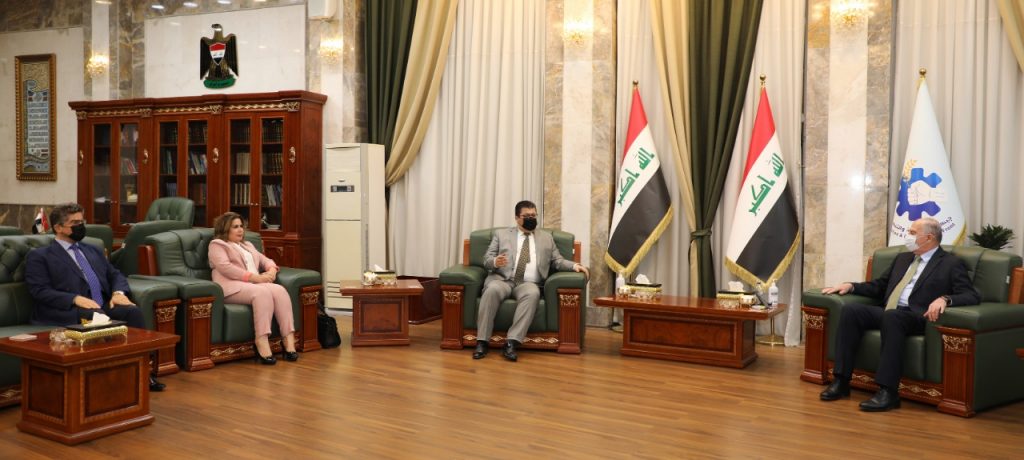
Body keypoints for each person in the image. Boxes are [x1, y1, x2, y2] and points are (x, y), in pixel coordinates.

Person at [819, 217, 980, 411]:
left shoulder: (950, 263)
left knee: (892, 316)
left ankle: (888, 392)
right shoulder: (903, 258)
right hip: (890, 312)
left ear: (929, 238)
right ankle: (841, 381)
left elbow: (971, 295)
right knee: (851, 310)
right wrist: (851, 286)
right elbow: (880, 286)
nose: (907, 236)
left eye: (912, 233)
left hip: (918, 316)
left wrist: (945, 299)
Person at [24, 202, 166, 391]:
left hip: (102, 305)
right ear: (58, 228)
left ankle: (143, 372)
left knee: (132, 312)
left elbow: (115, 274)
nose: (80, 226)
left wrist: (118, 293)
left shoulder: (92, 250)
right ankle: (108, 380)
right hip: (69, 310)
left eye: (82, 222)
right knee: (97, 317)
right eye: (75, 223)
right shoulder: (41, 256)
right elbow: (39, 291)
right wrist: (74, 299)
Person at [474, 200, 590, 362]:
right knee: (492, 290)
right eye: (526, 216)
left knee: (533, 293)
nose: (531, 218)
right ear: (517, 218)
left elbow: (557, 261)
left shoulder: (546, 238)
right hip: (503, 279)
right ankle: (482, 341)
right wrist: (494, 262)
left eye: (533, 215)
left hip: (528, 283)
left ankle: (511, 342)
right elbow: (486, 259)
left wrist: (574, 265)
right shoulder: (501, 235)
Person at [208, 212, 297, 365]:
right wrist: (256, 278)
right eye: (235, 227)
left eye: (241, 226)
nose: (240, 230)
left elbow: (265, 260)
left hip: (253, 285)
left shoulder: (247, 245)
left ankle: (288, 340)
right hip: (230, 287)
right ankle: (261, 340)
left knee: (280, 290)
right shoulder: (217, 245)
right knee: (262, 292)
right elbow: (225, 268)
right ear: (225, 229)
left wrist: (271, 271)